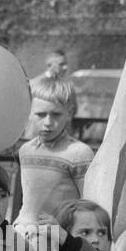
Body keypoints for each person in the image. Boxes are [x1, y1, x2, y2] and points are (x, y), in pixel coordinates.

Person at [15, 76, 93, 226]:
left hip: (59, 238)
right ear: (29, 112)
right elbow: (29, 202)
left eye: (56, 115)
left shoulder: (79, 153)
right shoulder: (25, 150)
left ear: (69, 114)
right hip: (24, 235)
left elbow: (87, 204)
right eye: (41, 114)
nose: (48, 122)